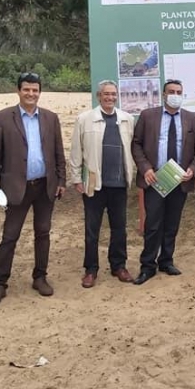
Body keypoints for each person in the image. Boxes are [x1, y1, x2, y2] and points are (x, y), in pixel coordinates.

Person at [0, 72, 66, 305]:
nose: (31, 93)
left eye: (35, 90)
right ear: (18, 91)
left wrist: (61, 181)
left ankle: (40, 277)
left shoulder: (51, 118)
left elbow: (59, 152)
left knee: (43, 232)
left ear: (40, 92)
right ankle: (0, 284)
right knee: (10, 235)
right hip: (16, 188)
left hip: (45, 187)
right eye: (26, 89)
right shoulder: (3, 118)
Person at [131, 79, 195, 284]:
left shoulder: (192, 119)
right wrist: (145, 168)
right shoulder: (148, 116)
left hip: (179, 179)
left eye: (179, 91)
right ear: (163, 95)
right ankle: (148, 265)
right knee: (153, 224)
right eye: (171, 91)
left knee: (172, 223)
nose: (175, 94)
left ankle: (166, 260)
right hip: (155, 178)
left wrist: (193, 169)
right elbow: (136, 144)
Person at [69, 80, 136, 288]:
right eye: (106, 94)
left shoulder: (127, 119)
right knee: (92, 229)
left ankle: (118, 266)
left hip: (119, 184)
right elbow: (76, 152)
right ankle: (91, 269)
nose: (110, 98)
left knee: (119, 228)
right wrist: (76, 179)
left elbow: (132, 149)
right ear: (99, 96)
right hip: (93, 184)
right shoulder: (85, 119)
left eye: (113, 94)